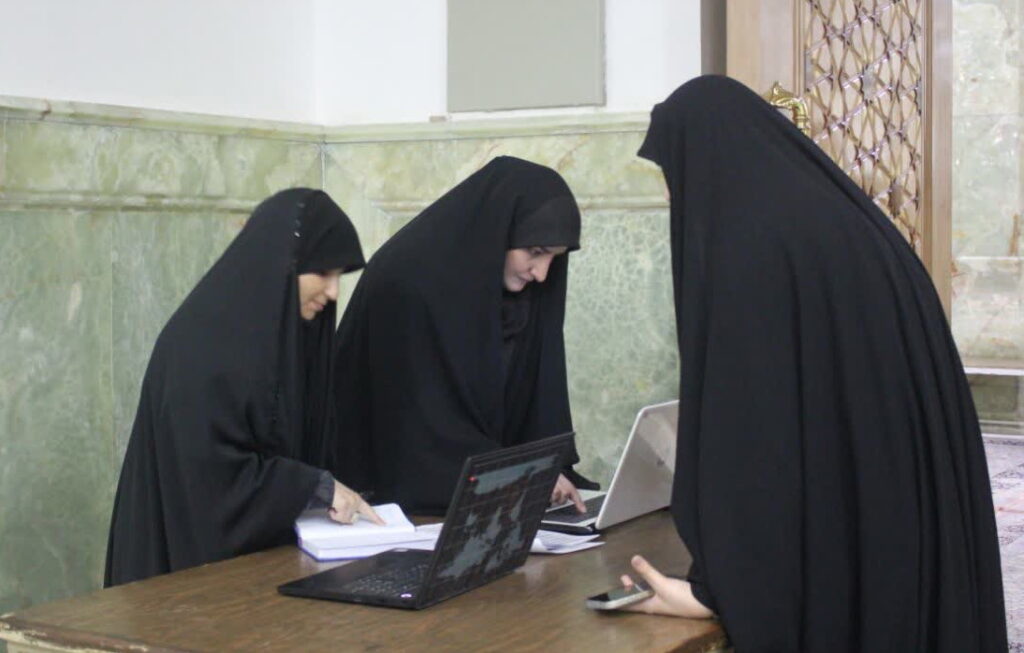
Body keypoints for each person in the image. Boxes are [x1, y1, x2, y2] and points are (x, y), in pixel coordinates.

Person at [618, 76, 1008, 652]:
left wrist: (721, 590)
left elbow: (759, 441)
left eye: (672, 173)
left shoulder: (750, 246)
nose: (675, 196)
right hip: (901, 525)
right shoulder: (842, 221)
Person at [105, 188, 382, 587]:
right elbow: (208, 481)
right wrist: (314, 487)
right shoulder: (203, 345)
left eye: (339, 276)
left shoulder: (275, 341)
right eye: (323, 274)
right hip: (181, 580)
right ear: (284, 266)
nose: (334, 292)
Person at [332, 156, 595, 514]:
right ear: (498, 231)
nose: (542, 274)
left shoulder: (520, 294)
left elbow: (533, 403)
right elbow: (419, 432)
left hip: (485, 494)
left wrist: (545, 469)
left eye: (555, 258)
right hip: (385, 504)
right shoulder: (408, 281)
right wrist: (521, 475)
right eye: (536, 252)